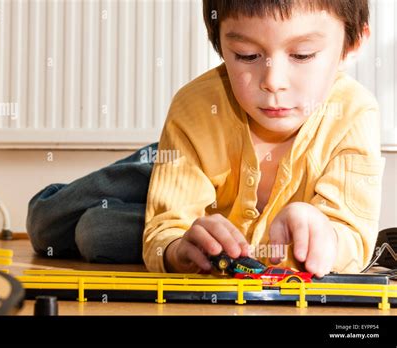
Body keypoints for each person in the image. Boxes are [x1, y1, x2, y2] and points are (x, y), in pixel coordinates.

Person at [143, 0, 385, 277]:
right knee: (103, 232)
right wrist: (177, 249)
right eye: (247, 56)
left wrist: (327, 237)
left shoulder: (355, 114)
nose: (273, 81)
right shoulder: (194, 108)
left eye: (303, 55)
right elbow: (164, 231)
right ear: (220, 43)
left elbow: (354, 242)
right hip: (166, 166)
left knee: (103, 231)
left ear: (352, 45)